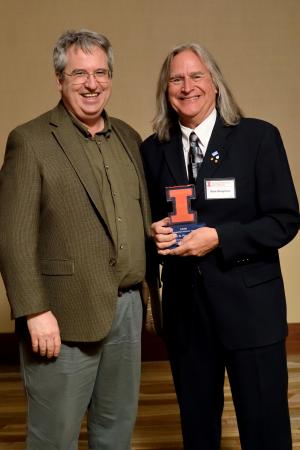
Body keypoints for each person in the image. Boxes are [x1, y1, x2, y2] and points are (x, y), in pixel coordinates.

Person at [140, 43, 299, 450]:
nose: (186, 86)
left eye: (197, 76)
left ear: (215, 83)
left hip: (251, 311)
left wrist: (221, 238)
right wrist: (154, 232)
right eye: (176, 78)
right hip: (187, 316)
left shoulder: (257, 138)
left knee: (265, 429)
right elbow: (152, 221)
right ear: (166, 89)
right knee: (197, 430)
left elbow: (284, 220)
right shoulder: (152, 150)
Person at [0, 29, 152, 450]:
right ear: (59, 79)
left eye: (101, 72)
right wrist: (34, 310)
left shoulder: (128, 138)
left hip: (126, 310)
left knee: (116, 429)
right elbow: (12, 238)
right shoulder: (29, 141)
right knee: (54, 438)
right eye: (79, 73)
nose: (92, 83)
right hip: (60, 319)